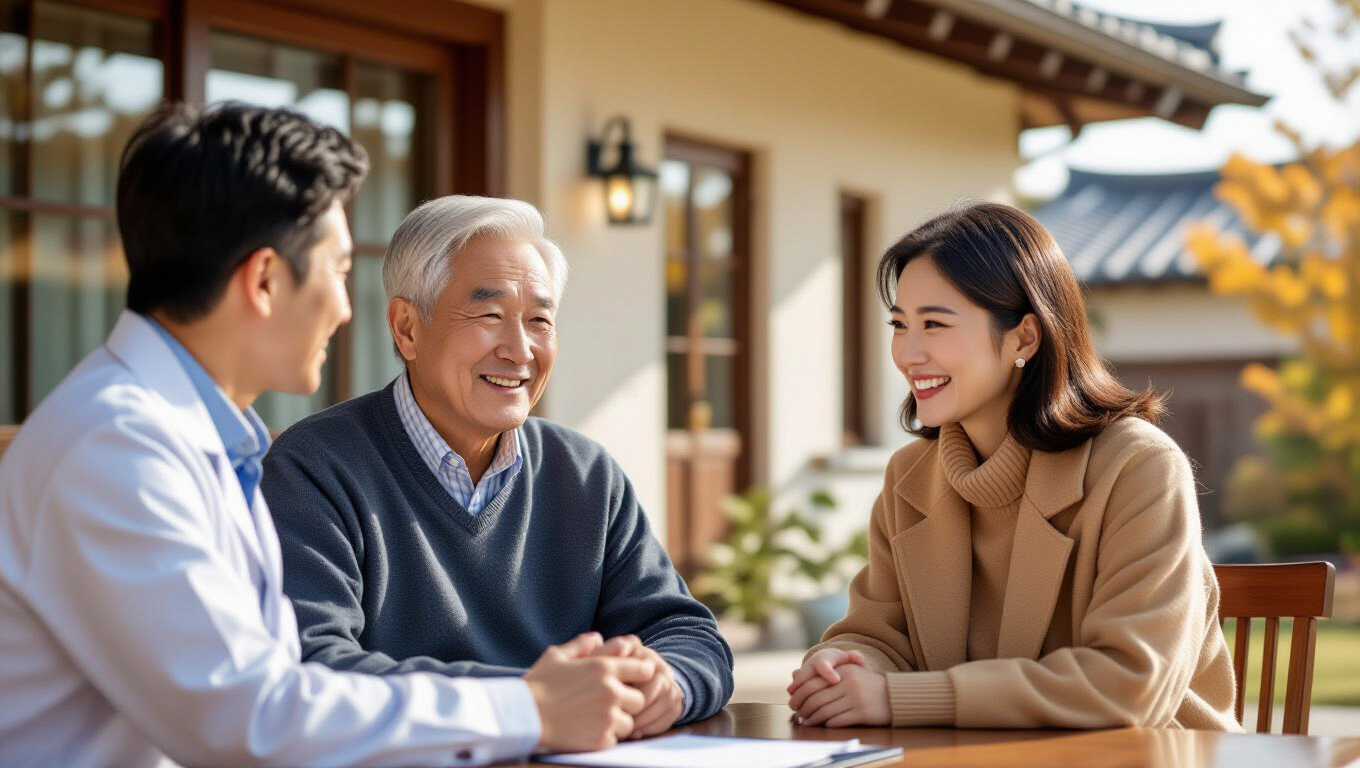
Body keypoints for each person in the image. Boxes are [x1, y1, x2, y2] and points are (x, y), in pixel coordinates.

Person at [0, 102, 657, 768]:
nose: (346, 310)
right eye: (338, 272)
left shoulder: (200, 440)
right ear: (263, 280)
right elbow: (250, 716)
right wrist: (531, 708)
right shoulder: (118, 448)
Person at [260, 194, 733, 738]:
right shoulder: (312, 469)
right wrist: (532, 704)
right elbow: (313, 666)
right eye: (489, 315)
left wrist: (667, 684)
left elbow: (686, 631)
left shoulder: (584, 473)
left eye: (539, 320)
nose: (520, 349)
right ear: (407, 328)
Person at [786, 202, 1239, 731]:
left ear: (1024, 337)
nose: (907, 353)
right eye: (899, 324)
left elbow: (1129, 685)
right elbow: (878, 634)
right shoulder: (910, 478)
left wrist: (900, 698)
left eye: (934, 324)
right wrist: (843, 665)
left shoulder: (1138, 467)